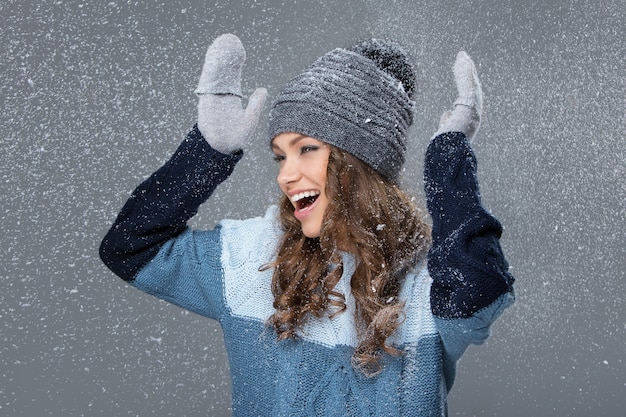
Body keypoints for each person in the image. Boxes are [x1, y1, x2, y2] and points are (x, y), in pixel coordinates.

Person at [100, 33, 515, 416]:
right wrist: (207, 152)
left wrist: (447, 157)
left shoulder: (430, 276)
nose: (285, 175)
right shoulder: (250, 258)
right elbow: (130, 247)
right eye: (281, 155)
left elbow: (480, 293)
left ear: (360, 161)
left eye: (306, 150)